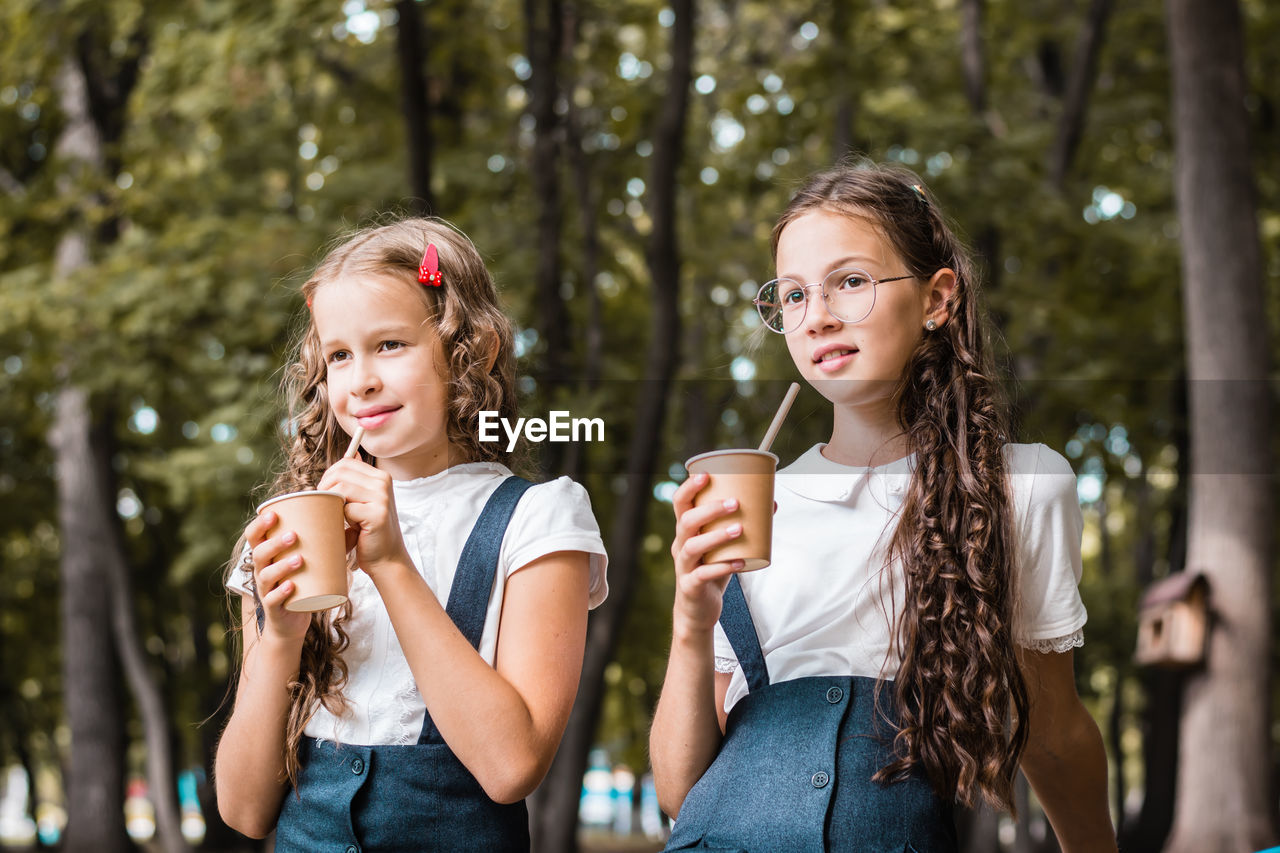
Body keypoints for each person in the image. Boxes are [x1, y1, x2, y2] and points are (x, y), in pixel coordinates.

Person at [650, 162, 1116, 852]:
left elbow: (1051, 728)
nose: (819, 317)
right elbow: (680, 790)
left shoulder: (1021, 487)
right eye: (795, 295)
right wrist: (692, 621)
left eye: (851, 281)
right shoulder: (753, 503)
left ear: (937, 298)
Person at [214, 218, 608, 852]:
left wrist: (392, 566)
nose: (360, 379)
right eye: (339, 354)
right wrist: (281, 639)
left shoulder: (537, 519)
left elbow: (512, 769)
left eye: (390, 345)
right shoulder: (290, 528)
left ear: (470, 351)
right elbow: (243, 809)